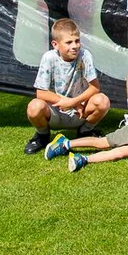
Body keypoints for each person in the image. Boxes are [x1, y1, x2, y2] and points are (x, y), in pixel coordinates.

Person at [23, 18, 111, 154]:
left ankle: (85, 131)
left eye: (77, 41)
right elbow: (41, 93)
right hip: (55, 112)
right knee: (34, 107)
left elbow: (95, 88)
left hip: (80, 112)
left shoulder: (85, 55)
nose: (74, 46)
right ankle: (42, 135)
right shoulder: (49, 58)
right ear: (55, 44)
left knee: (102, 101)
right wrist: (69, 103)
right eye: (69, 42)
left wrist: (74, 102)